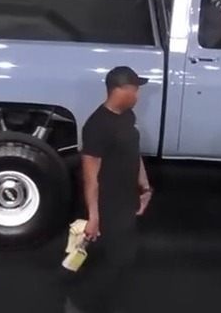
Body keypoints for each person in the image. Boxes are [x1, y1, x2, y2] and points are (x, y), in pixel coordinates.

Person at [73, 66, 153, 313]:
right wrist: (93, 217)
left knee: (121, 256)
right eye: (135, 89)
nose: (137, 95)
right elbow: (90, 176)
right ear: (119, 89)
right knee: (118, 257)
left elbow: (134, 153)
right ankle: (79, 303)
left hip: (127, 197)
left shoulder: (127, 116)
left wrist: (145, 186)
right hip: (109, 202)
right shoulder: (97, 126)